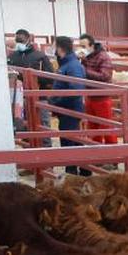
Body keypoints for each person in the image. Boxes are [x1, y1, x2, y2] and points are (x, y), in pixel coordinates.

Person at [49, 35, 86, 176]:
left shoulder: (72, 65)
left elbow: (76, 90)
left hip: (70, 110)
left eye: (54, 46)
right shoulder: (66, 64)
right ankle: (82, 171)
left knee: (70, 141)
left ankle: (73, 172)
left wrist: (55, 100)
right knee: (72, 140)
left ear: (59, 48)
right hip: (66, 110)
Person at [6, 28, 53, 133]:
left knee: (42, 126)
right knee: (23, 127)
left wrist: (35, 80)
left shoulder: (40, 56)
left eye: (21, 41)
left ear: (28, 39)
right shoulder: (12, 57)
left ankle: (46, 147)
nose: (19, 44)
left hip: (39, 96)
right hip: (19, 98)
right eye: (17, 41)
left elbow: (50, 76)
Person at [77, 33, 115, 144]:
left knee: (106, 126)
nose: (81, 49)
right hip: (90, 95)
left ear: (91, 45)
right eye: (80, 46)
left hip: (102, 96)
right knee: (93, 126)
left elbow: (105, 76)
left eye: (84, 47)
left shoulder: (103, 57)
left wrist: (83, 70)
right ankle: (96, 151)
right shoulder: (85, 57)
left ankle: (113, 154)